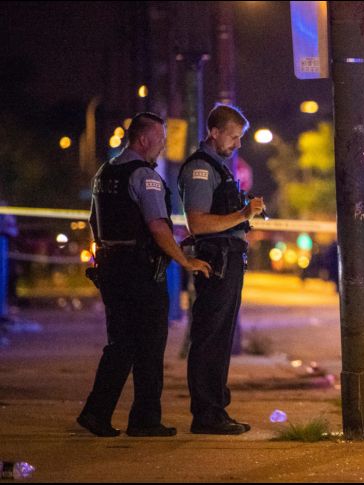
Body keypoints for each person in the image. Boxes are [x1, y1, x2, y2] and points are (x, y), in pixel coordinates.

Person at [78, 112, 212, 438]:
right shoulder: (144, 176)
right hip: (140, 269)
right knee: (150, 345)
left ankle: (97, 412)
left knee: (120, 343)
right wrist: (185, 260)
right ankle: (145, 420)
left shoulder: (105, 172)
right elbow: (157, 227)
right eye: (160, 140)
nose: (163, 147)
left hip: (112, 266)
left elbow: (95, 221)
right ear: (143, 139)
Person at [178, 104, 265, 435]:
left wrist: (244, 216)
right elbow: (198, 223)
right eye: (233, 136)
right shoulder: (201, 169)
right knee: (210, 338)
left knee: (219, 339)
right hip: (217, 261)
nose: (237, 144)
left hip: (228, 259)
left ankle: (215, 409)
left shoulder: (219, 166)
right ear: (214, 132)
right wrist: (243, 215)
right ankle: (207, 414)